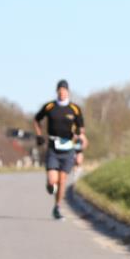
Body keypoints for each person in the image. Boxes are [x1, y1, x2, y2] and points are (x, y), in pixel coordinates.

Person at [34, 80, 87, 220]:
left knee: (62, 181)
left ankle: (57, 207)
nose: (62, 93)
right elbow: (36, 119)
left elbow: (81, 130)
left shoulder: (75, 109)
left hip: (68, 149)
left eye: (64, 90)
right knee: (53, 181)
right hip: (53, 148)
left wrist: (80, 149)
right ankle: (50, 185)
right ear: (57, 91)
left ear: (68, 92)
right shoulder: (50, 106)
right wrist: (39, 135)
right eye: (60, 90)